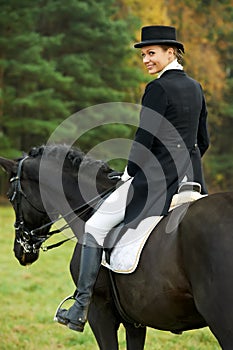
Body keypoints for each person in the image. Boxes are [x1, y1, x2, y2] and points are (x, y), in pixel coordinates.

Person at [55, 25, 209, 332]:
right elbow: (201, 140)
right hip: (192, 180)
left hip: (157, 180)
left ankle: (80, 305)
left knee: (95, 226)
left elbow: (145, 137)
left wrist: (131, 172)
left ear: (171, 52)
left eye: (152, 53)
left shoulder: (158, 88)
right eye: (143, 55)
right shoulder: (195, 87)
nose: (146, 60)